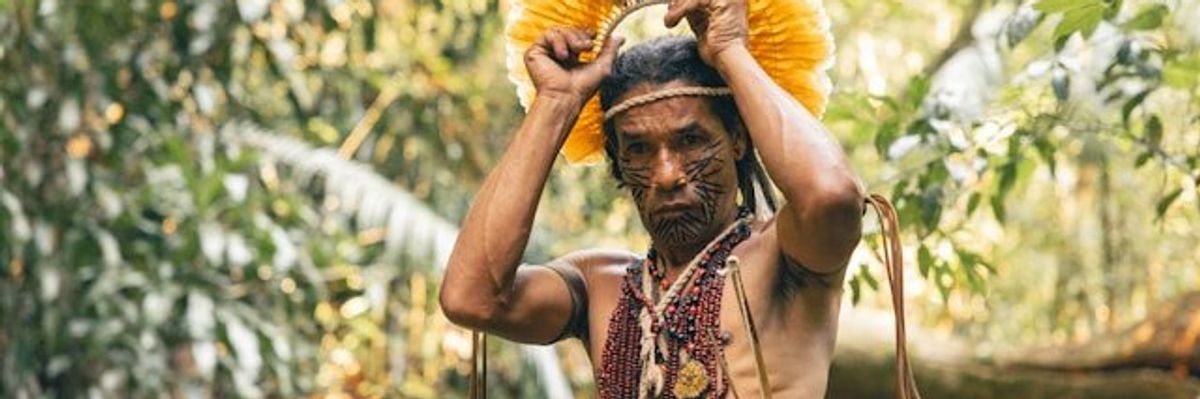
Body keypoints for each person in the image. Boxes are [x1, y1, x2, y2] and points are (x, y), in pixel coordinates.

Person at [439, 0, 866, 396]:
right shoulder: (599, 284)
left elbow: (831, 196)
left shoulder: (787, 258)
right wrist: (556, 102)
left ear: (737, 138)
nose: (667, 174)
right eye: (639, 149)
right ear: (618, 162)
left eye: (691, 140)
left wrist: (732, 51)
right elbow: (470, 298)